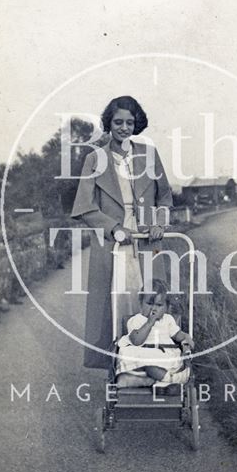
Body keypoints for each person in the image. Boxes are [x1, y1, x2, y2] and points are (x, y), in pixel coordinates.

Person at [71, 96, 173, 368]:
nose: (124, 128)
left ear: (136, 123)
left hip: (146, 243)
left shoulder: (149, 155)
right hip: (113, 244)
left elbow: (164, 198)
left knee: (150, 298)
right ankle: (119, 365)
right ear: (109, 123)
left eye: (130, 122)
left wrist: (158, 223)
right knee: (116, 302)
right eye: (118, 122)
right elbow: (84, 205)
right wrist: (113, 228)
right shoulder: (95, 158)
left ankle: (154, 359)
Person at [116, 279, 194, 385]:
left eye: (159, 305)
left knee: (155, 363)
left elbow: (177, 335)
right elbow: (136, 341)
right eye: (149, 304)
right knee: (127, 353)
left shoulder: (168, 319)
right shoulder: (136, 320)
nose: (153, 308)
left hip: (163, 356)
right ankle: (168, 380)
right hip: (143, 356)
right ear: (140, 303)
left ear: (166, 307)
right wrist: (149, 322)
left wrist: (186, 337)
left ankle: (166, 379)